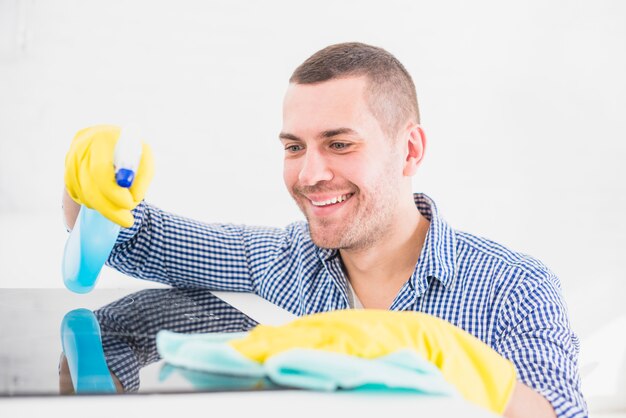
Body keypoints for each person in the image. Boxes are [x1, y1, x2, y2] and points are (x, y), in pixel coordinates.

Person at [62, 42, 586, 417]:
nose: (309, 174)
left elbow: (560, 412)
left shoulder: (515, 288)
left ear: (410, 149)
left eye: (339, 143)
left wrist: (446, 357)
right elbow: (132, 236)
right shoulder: (283, 261)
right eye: (294, 147)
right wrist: (91, 177)